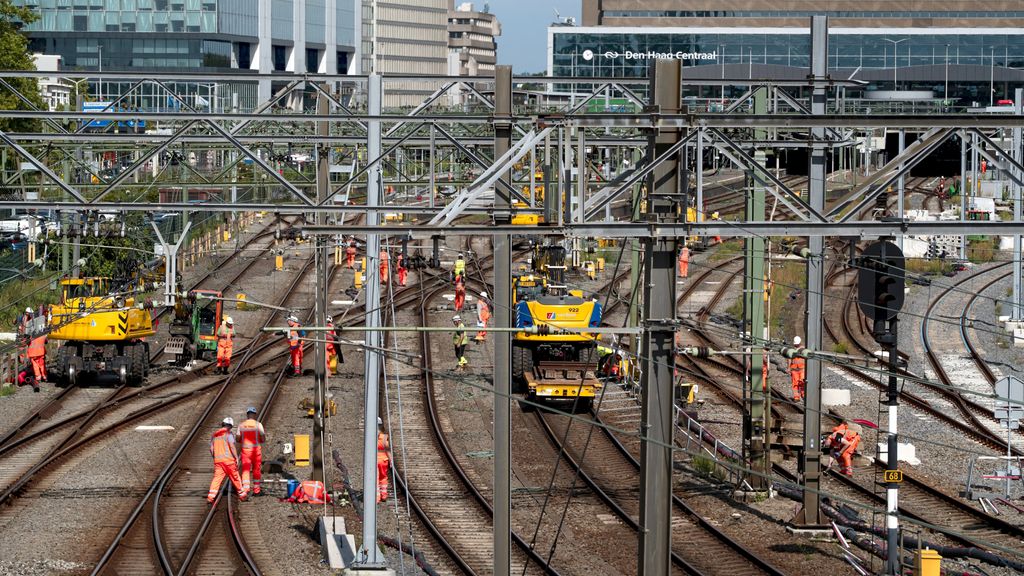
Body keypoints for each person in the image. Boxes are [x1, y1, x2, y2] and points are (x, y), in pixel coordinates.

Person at [207, 417, 248, 502]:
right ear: (230, 426)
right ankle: (242, 495)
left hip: (218, 462)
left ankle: (210, 497)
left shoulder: (214, 435)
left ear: (222, 424)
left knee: (217, 479)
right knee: (235, 477)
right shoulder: (229, 434)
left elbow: (211, 449)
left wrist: (215, 458)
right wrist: (236, 458)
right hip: (229, 461)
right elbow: (232, 447)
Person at [237, 408, 266, 496]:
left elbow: (237, 438)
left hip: (245, 451)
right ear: (254, 415)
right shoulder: (258, 425)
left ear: (247, 415)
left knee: (245, 470)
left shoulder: (241, 425)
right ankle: (256, 490)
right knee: (256, 469)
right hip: (256, 451)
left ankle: (246, 489)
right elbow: (263, 438)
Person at [376, 417, 391, 503]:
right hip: (384, 460)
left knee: (376, 478)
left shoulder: (371, 437)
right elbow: (387, 449)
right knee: (383, 477)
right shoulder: (384, 437)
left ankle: (377, 497)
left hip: (375, 460)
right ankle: (384, 495)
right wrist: (391, 460)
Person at [788, 336, 806, 402]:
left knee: (802, 382)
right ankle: (796, 397)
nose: (796, 345)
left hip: (802, 369)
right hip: (794, 369)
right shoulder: (791, 350)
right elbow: (789, 359)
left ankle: (803, 395)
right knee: (795, 384)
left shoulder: (804, 349)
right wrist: (789, 368)